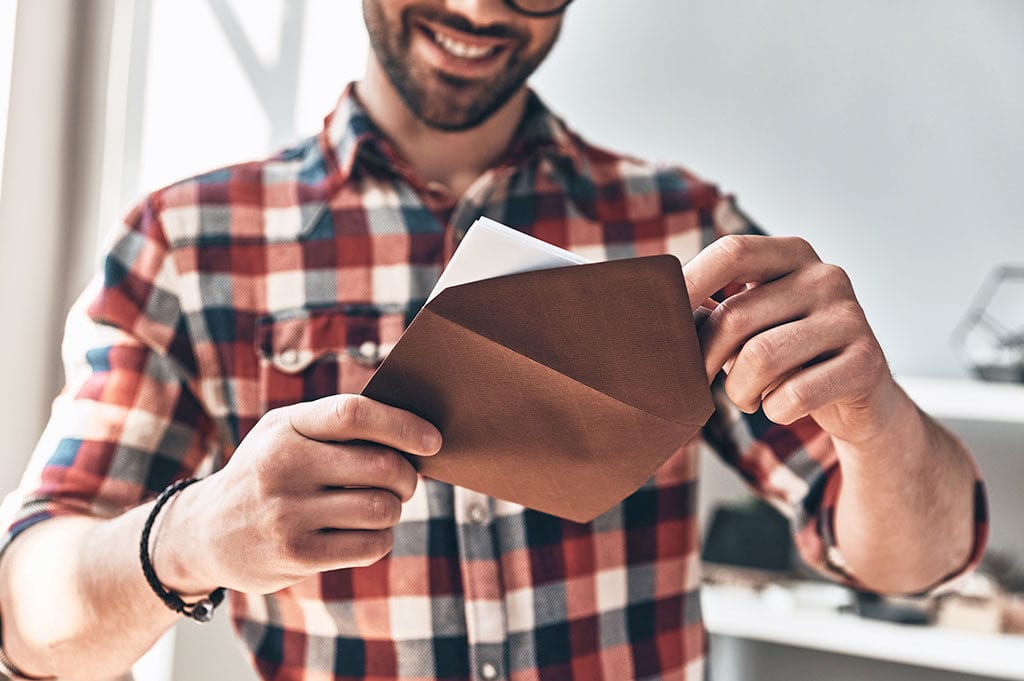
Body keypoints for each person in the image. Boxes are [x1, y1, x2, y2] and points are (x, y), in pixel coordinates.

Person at [0, 1, 987, 679]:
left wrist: (876, 424)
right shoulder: (188, 243)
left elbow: (916, 563)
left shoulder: (681, 228)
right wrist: (194, 536)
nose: (479, 10)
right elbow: (29, 624)